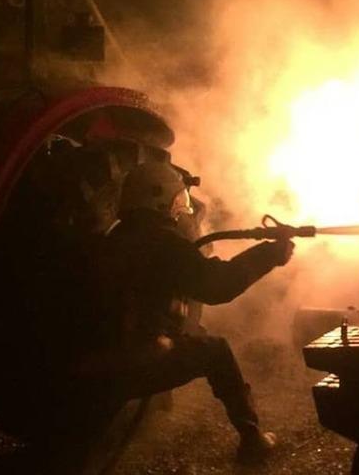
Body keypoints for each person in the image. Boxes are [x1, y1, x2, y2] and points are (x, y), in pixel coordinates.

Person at [80, 160, 293, 463]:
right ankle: (252, 438)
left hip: (97, 361)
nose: (179, 208)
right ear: (159, 198)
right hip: (134, 361)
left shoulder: (115, 238)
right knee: (216, 351)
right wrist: (271, 253)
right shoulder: (163, 243)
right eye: (176, 200)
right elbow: (218, 286)